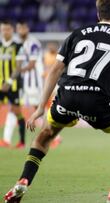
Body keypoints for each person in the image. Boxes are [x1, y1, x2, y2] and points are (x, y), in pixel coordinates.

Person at [4, 0, 110, 202]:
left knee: (46, 134)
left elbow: (55, 70)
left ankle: (23, 180)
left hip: (67, 94)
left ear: (98, 15)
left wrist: (40, 108)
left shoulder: (78, 33)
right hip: (98, 100)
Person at [16, 21, 62, 149]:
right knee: (39, 109)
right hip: (28, 83)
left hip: (36, 84)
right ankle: (52, 135)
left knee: (41, 109)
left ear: (27, 28)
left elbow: (33, 64)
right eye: (18, 28)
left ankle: (54, 136)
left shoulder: (33, 43)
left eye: (22, 27)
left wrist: (16, 71)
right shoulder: (22, 44)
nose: (20, 30)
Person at [0, 20, 27, 149]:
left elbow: (18, 66)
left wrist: (9, 82)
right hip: (0, 85)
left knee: (17, 113)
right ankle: (5, 140)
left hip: (13, 85)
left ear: (12, 30)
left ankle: (22, 141)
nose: (5, 32)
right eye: (3, 29)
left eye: (7, 29)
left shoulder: (18, 46)